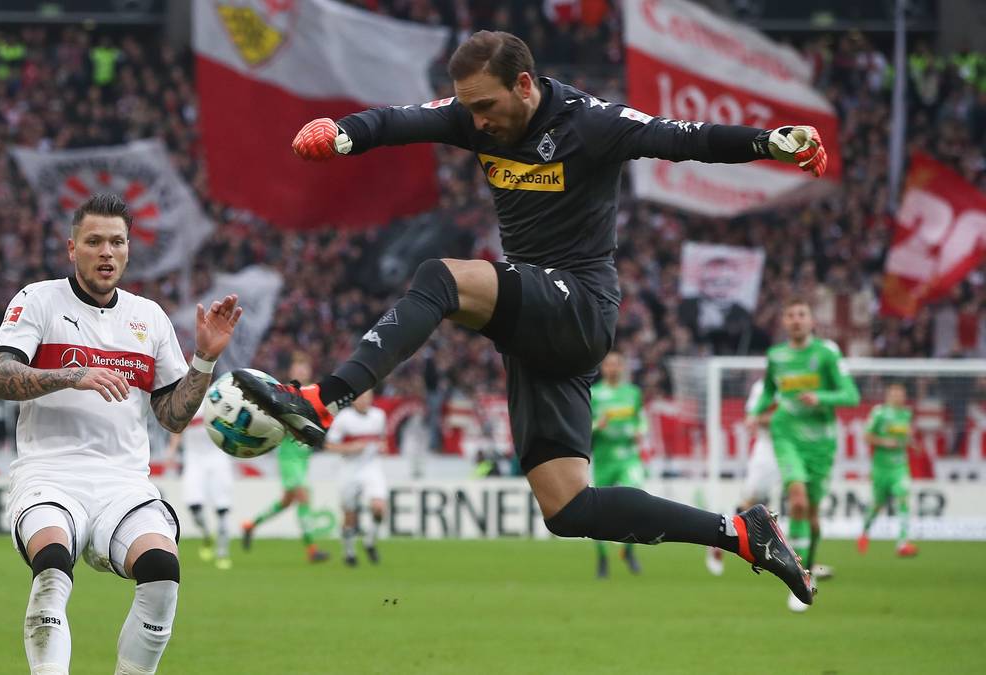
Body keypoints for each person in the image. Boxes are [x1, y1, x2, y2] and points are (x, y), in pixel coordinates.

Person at [234, 30, 827, 605]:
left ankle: (320, 400)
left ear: (523, 84)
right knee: (569, 508)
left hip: (582, 303)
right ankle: (743, 535)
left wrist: (767, 142)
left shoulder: (591, 123)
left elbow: (686, 138)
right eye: (469, 110)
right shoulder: (473, 114)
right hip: (539, 325)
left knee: (441, 278)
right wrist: (342, 132)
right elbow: (398, 120)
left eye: (487, 106)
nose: (478, 122)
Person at [0, 193, 243, 675]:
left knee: (163, 573)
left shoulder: (149, 317)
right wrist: (70, 374)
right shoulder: (38, 300)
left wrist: (204, 359)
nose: (107, 252)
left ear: (128, 249)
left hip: (123, 482)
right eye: (94, 241)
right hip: (49, 475)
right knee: (54, 565)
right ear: (71, 248)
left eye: (117, 242)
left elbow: (173, 416)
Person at [748, 298, 860, 612]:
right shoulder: (776, 356)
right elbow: (770, 391)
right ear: (784, 322)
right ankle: (798, 578)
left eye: (802, 314)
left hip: (821, 443)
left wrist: (820, 396)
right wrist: (756, 413)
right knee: (795, 500)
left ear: (811, 321)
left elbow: (851, 395)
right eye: (790, 315)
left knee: (811, 515)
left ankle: (808, 566)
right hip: (786, 435)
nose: (796, 320)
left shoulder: (827, 353)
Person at [241, 354, 330, 563]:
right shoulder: (283, 394)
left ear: (309, 371)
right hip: (288, 456)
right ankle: (312, 549)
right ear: (291, 372)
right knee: (303, 496)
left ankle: (250, 525)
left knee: (287, 501)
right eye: (298, 367)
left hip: (303, 456)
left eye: (304, 367)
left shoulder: (313, 395)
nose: (301, 371)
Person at [706, 377, 779, 577]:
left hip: (801, 447)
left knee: (802, 500)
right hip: (770, 448)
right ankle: (716, 541)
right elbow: (753, 419)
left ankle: (807, 562)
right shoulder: (763, 387)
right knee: (750, 502)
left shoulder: (806, 384)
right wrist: (786, 417)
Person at [590, 353, 647, 578]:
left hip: (628, 456)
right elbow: (584, 425)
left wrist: (640, 430)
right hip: (604, 458)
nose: (612, 368)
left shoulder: (633, 393)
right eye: (609, 364)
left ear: (622, 367)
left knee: (636, 498)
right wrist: (597, 425)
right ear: (603, 368)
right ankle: (603, 557)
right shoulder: (594, 394)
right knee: (598, 512)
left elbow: (640, 419)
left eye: (616, 364)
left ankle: (628, 550)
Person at [325, 390, 388, 567]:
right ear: (353, 400)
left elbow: (383, 441)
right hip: (349, 468)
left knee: (379, 507)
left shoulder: (379, 416)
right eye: (361, 397)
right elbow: (330, 445)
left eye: (368, 396)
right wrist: (351, 447)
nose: (365, 400)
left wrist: (383, 448)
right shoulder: (344, 418)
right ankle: (349, 553)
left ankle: (369, 541)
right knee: (349, 514)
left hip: (371, 467)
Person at [858, 382, 919, 558]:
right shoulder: (879, 413)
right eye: (895, 393)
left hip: (900, 466)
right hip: (881, 467)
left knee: (903, 495)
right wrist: (885, 442)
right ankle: (864, 532)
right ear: (888, 395)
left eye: (901, 394)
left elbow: (905, 436)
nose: (898, 397)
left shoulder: (906, 414)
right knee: (877, 505)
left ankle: (902, 543)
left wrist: (912, 444)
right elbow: (866, 436)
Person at [171, 413, 236, 570]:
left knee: (222, 508)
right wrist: (171, 450)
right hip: (193, 458)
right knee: (193, 506)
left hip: (218, 456)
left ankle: (222, 553)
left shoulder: (221, 396)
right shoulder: (188, 398)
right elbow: (177, 428)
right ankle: (207, 534)